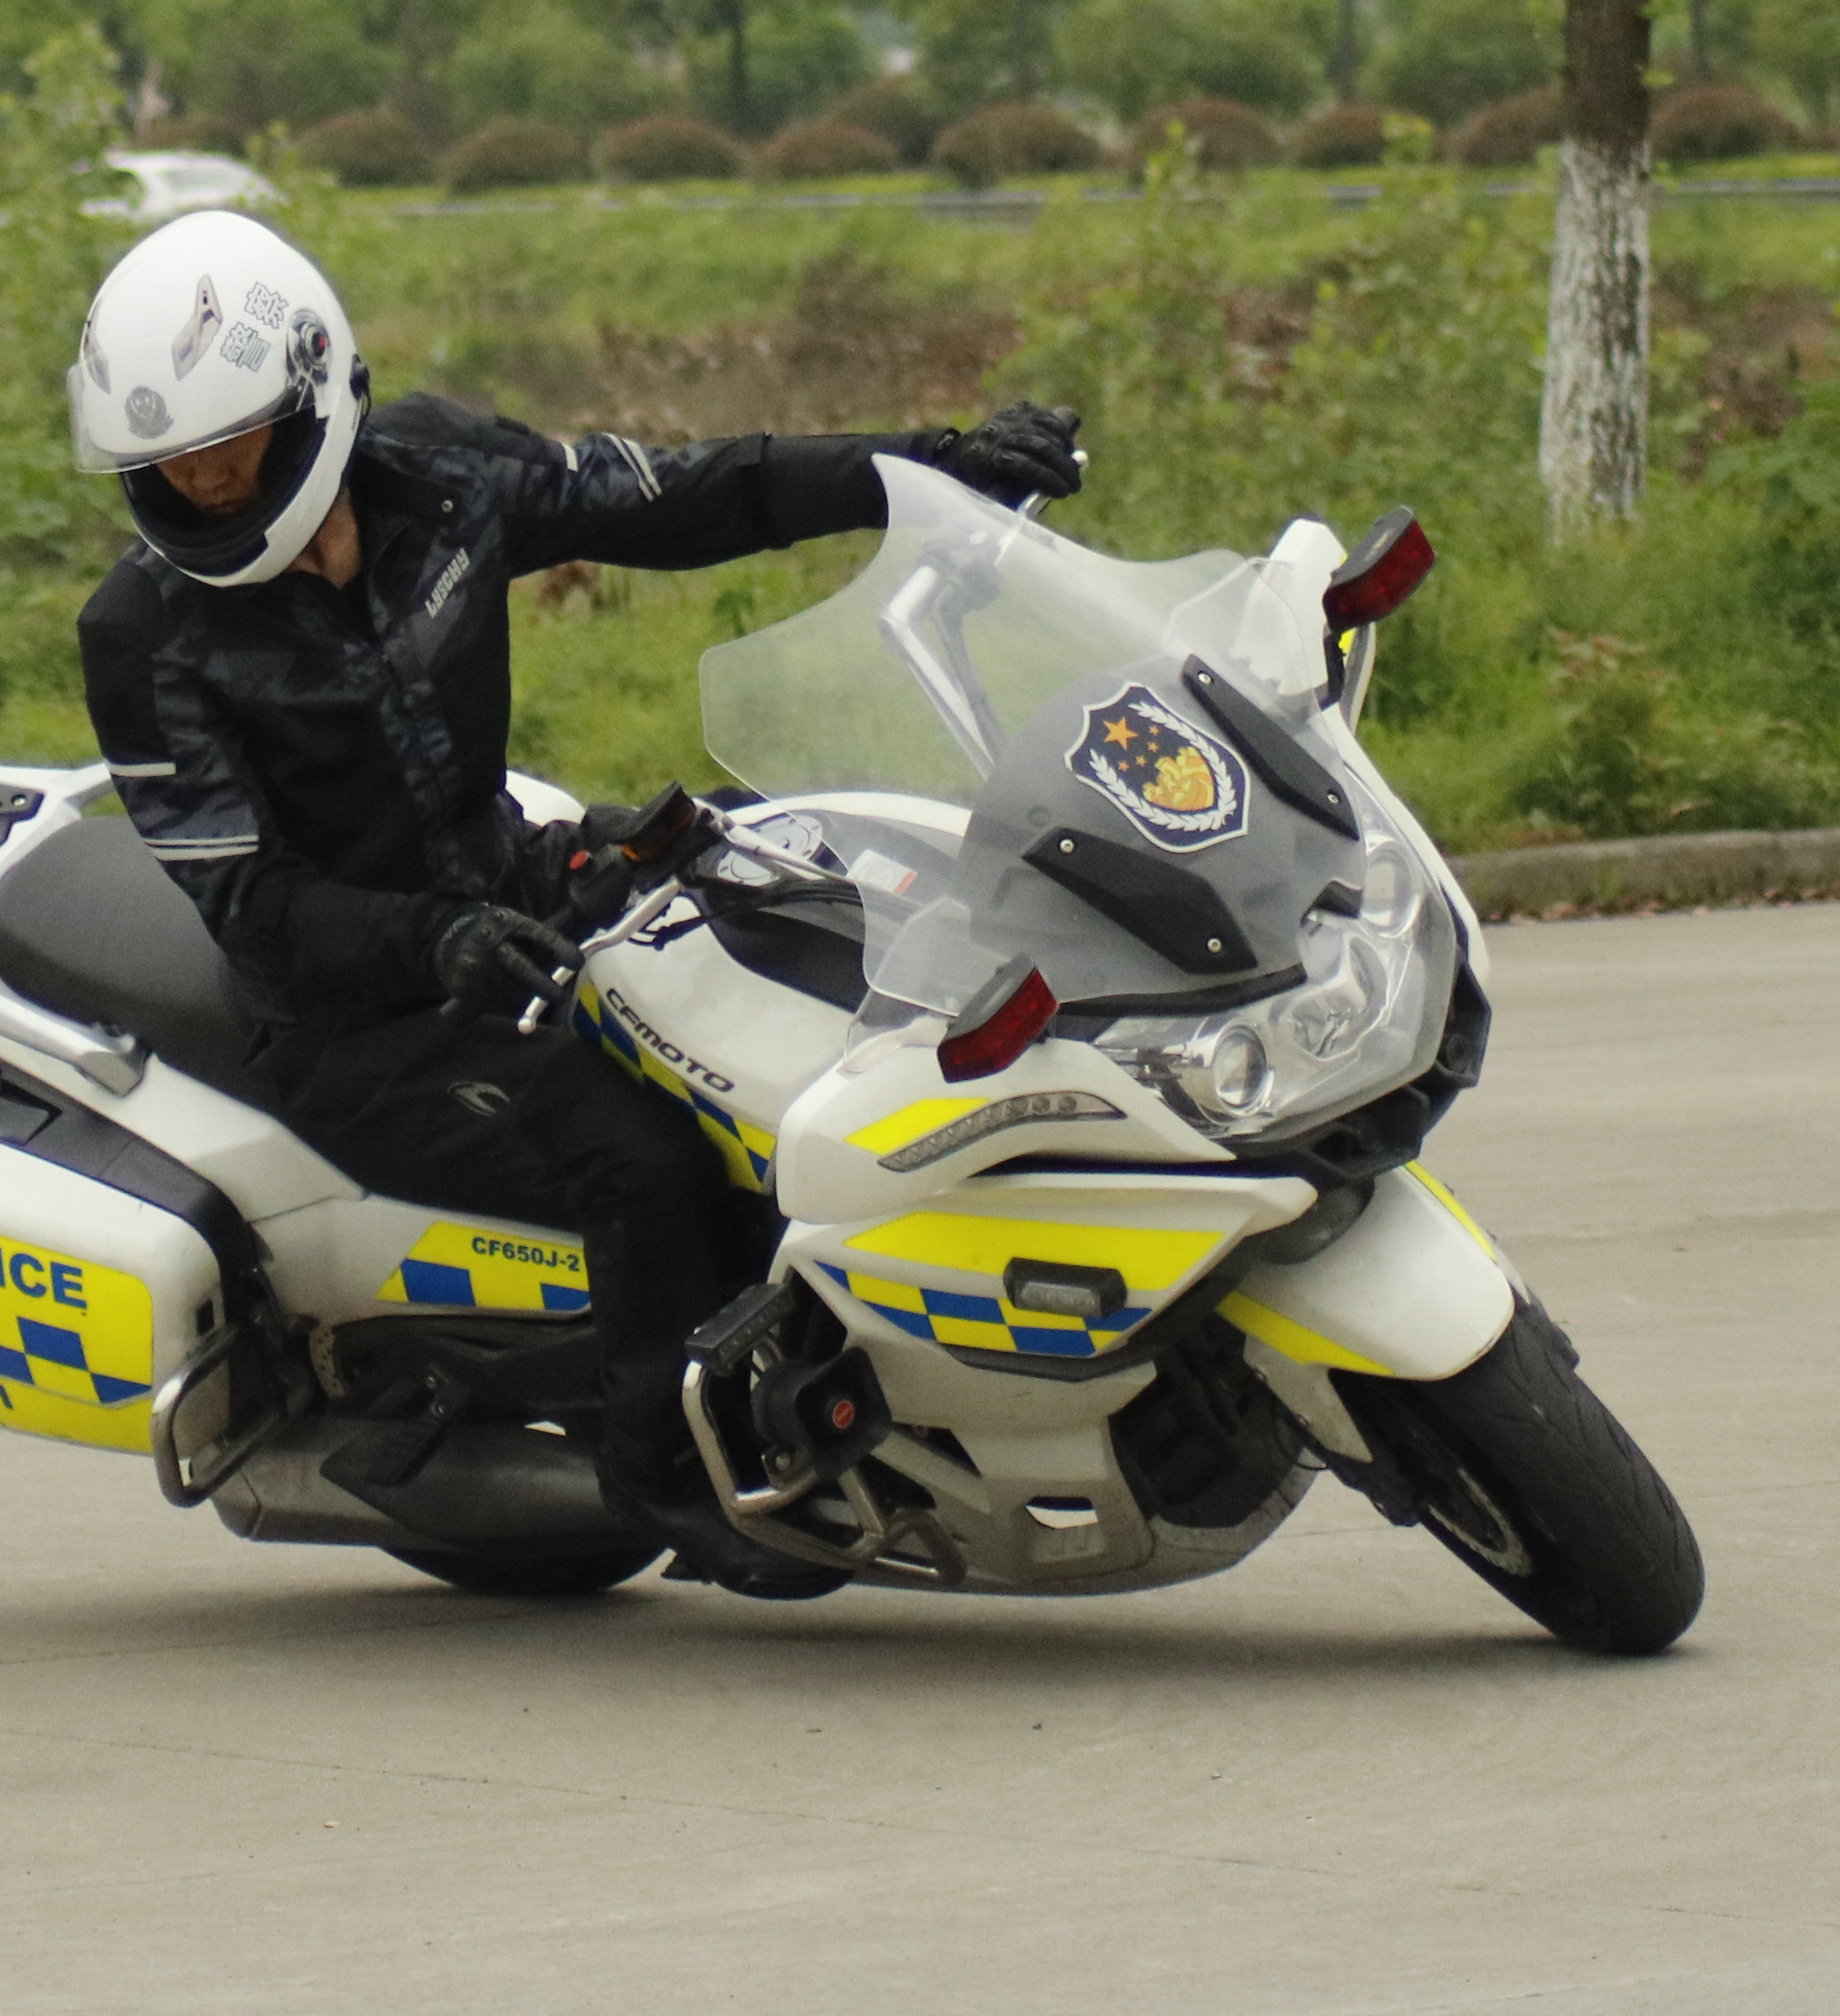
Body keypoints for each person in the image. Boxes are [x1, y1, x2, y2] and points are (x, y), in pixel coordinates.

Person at [66, 208, 1080, 1591]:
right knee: (645, 1152)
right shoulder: (147, 635)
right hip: (355, 1013)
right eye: (172, 469)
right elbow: (253, 905)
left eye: (227, 448)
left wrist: (932, 473)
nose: (207, 486)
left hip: (517, 896)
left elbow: (688, 497)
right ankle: (675, 1477)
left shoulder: (440, 473)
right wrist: (438, 938)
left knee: (809, 983)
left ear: (313, 397)